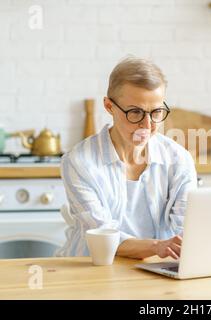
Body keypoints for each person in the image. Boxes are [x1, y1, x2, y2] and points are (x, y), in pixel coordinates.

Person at [55, 56, 197, 260]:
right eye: (135, 112)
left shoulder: (178, 159)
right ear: (109, 106)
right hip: (91, 269)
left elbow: (186, 229)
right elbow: (103, 237)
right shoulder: (79, 162)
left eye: (156, 112)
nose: (147, 125)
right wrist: (157, 246)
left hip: (156, 269)